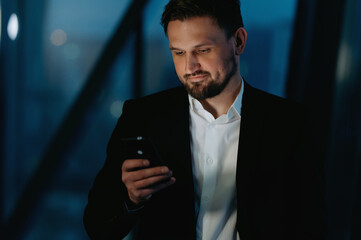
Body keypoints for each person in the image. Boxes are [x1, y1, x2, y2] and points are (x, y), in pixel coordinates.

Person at [83, 0, 325, 239]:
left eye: (202, 50)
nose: (190, 67)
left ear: (238, 41)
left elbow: (311, 226)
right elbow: (97, 227)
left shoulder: (289, 124)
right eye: (178, 52)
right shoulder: (142, 117)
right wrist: (132, 199)